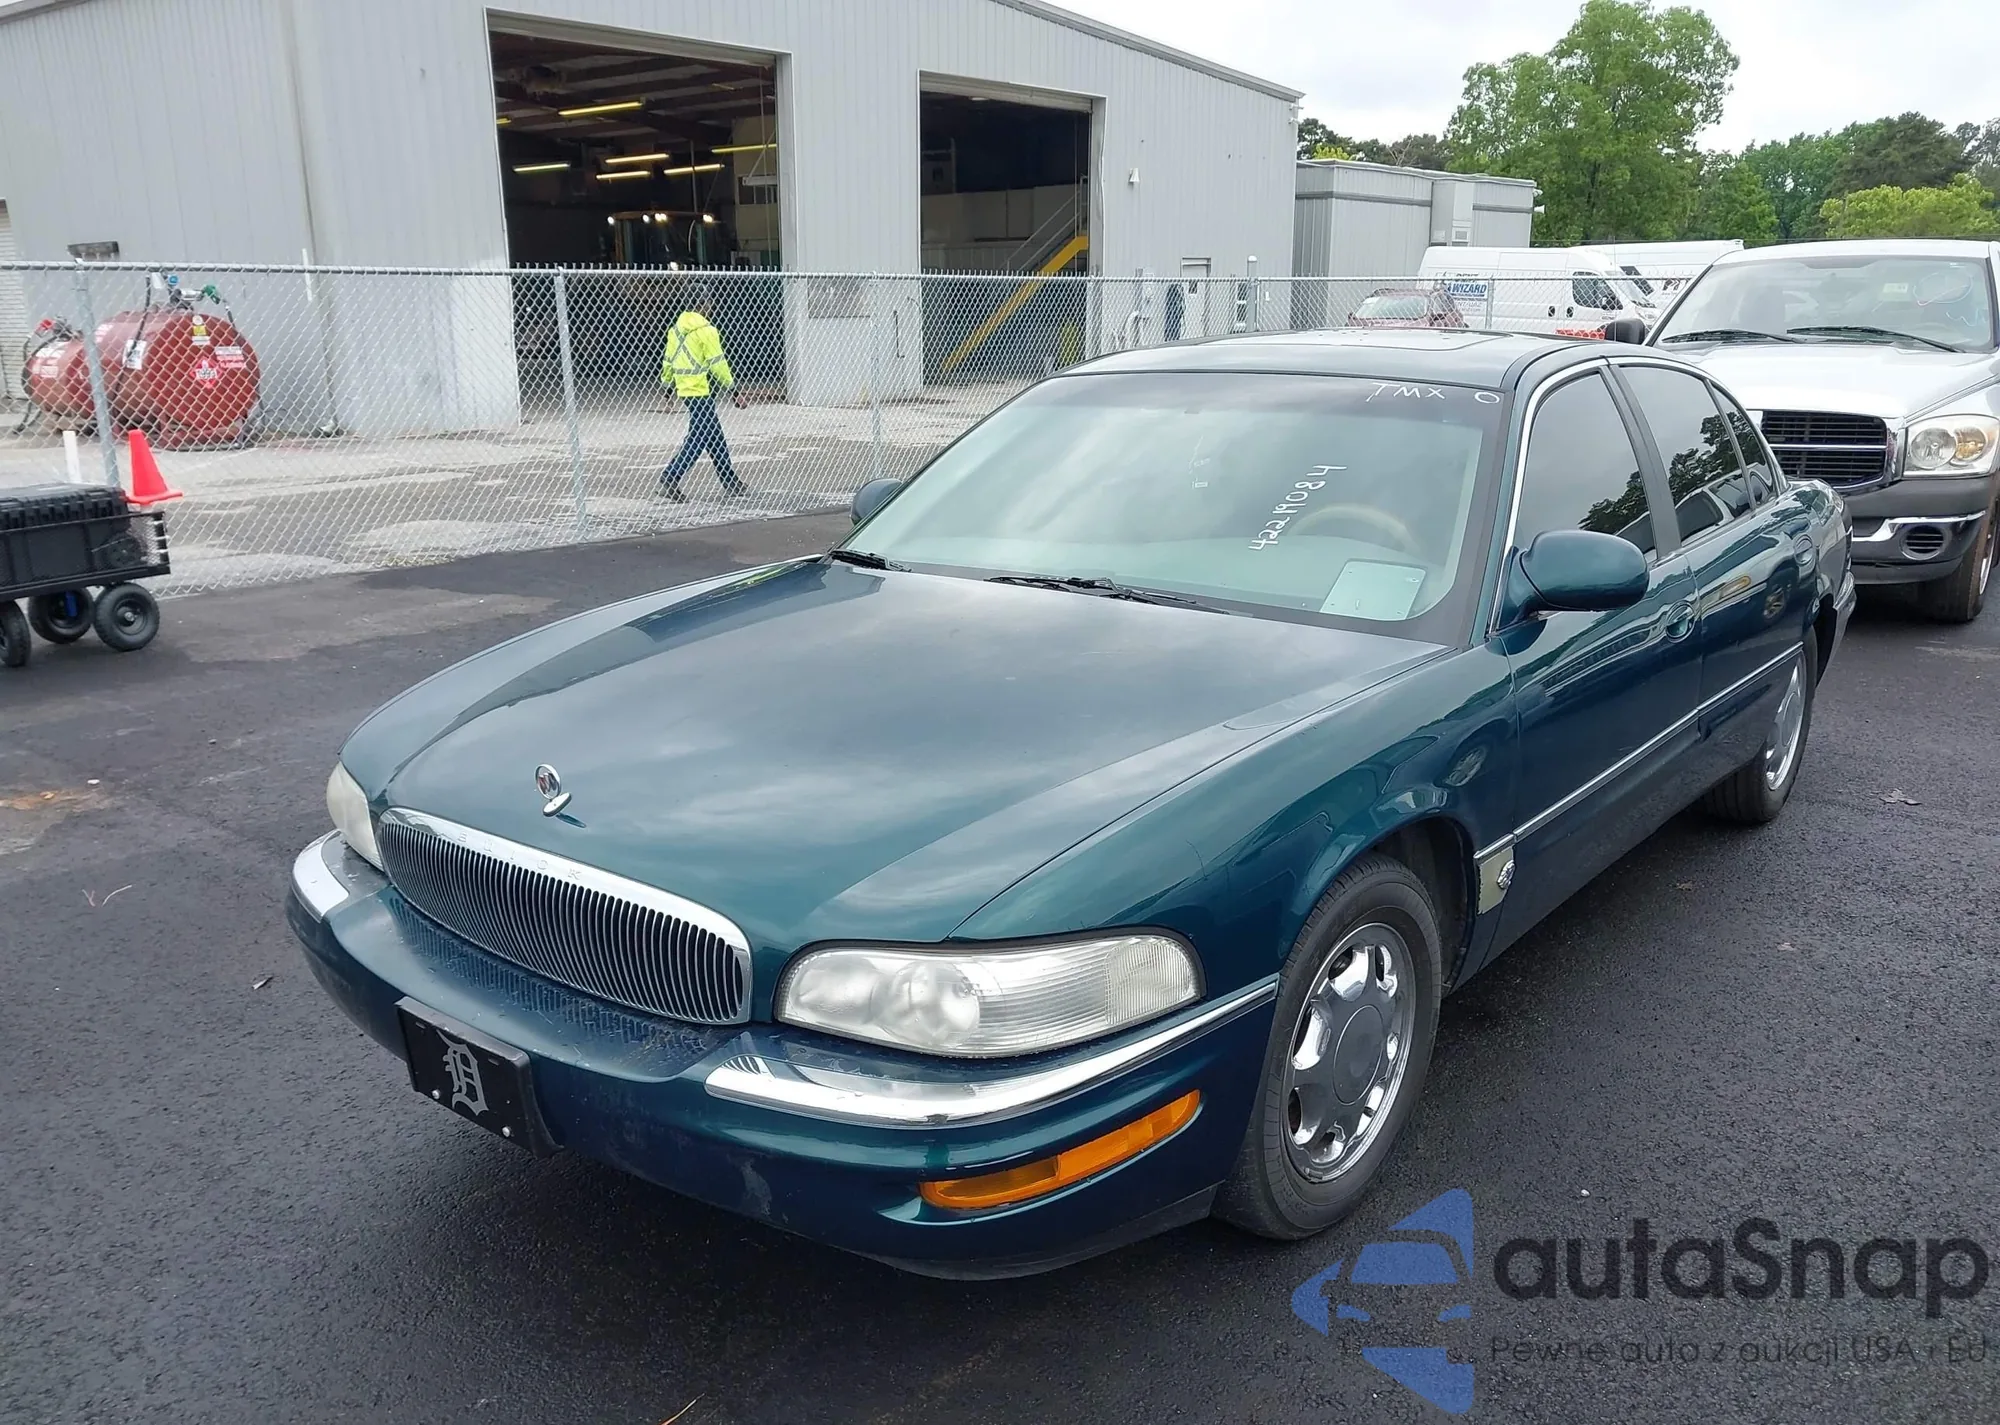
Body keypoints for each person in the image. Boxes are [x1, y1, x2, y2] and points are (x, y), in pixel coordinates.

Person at [660, 286, 749, 501]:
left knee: (714, 436)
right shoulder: (707, 331)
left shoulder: (675, 330)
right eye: (709, 301)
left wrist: (667, 389)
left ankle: (730, 481)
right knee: (698, 438)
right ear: (704, 304)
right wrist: (734, 390)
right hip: (702, 390)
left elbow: (669, 361)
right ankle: (670, 477)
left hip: (685, 390)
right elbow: (718, 364)